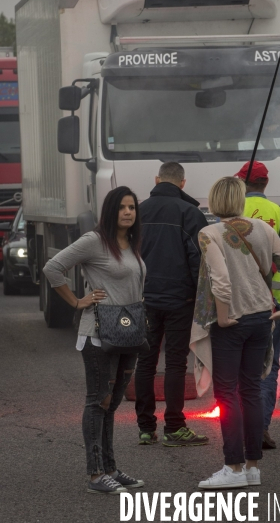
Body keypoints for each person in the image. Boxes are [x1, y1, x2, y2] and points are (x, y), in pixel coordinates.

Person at [194, 177, 280, 489]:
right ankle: (252, 467)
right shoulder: (264, 229)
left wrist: (223, 318)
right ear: (239, 199)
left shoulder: (208, 233)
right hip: (262, 318)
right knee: (250, 390)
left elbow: (220, 279)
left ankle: (233, 468)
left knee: (226, 393)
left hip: (233, 322)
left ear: (214, 201)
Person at [43, 187, 145, 495]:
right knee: (98, 400)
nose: (128, 212)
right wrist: (76, 302)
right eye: (122, 207)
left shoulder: (130, 243)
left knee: (112, 403)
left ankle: (111, 468)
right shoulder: (94, 241)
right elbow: (52, 268)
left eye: (132, 207)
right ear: (110, 211)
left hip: (130, 332)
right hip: (99, 333)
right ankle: (95, 474)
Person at [135, 162, 209, 447]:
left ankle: (145, 428)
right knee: (176, 363)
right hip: (181, 299)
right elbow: (200, 260)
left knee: (146, 360)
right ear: (182, 184)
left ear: (157, 180)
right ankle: (175, 427)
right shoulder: (190, 213)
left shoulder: (137, 211)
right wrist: (201, 299)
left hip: (145, 298)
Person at [235, 160, 280, 449]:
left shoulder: (229, 212)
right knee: (268, 367)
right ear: (265, 184)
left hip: (235, 302)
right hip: (271, 305)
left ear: (241, 183)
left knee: (236, 367)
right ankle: (260, 429)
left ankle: (238, 428)